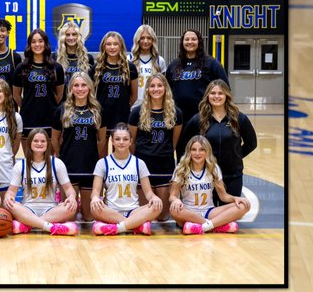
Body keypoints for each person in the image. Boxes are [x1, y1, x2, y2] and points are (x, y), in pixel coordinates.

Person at [178, 79, 257, 197]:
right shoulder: (198, 119)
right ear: (207, 96)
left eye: (220, 93)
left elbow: (251, 143)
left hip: (232, 176)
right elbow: (183, 144)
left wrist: (236, 155)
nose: (216, 96)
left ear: (227, 95)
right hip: (206, 176)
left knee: (230, 212)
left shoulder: (239, 118)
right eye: (213, 93)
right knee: (209, 213)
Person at [52, 72, 106, 224]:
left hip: (90, 165)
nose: (80, 89)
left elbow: (102, 140)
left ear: (89, 88)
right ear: (71, 89)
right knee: (69, 216)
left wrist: (96, 161)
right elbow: (55, 139)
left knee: (90, 217)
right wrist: (61, 155)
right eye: (76, 85)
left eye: (84, 85)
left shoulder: (98, 110)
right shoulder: (62, 110)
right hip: (69, 165)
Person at [3, 127, 78, 235]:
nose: (39, 144)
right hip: (28, 208)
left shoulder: (57, 163)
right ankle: (49, 226)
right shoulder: (21, 165)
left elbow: (69, 189)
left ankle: (28, 224)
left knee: (71, 208)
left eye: (43, 141)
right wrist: (8, 197)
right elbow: (11, 191)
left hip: (50, 209)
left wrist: (71, 197)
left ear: (47, 144)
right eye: (36, 141)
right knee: (10, 205)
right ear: (29, 143)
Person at [90, 123, 161, 235]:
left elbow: (148, 192)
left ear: (130, 141)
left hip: (134, 211)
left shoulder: (139, 163)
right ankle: (135, 225)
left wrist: (154, 197)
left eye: (125, 139)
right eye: (117, 139)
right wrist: (95, 198)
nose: (121, 142)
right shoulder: (102, 163)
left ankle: (118, 227)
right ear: (112, 141)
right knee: (94, 208)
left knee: (157, 206)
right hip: (111, 211)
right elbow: (95, 191)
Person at [168, 135, 249, 234]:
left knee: (244, 206)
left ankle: (199, 227)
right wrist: (176, 200)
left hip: (209, 211)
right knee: (173, 210)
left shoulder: (213, 168)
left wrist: (235, 199)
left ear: (207, 152)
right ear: (189, 152)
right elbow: (172, 196)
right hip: (188, 212)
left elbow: (223, 196)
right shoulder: (181, 168)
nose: (197, 153)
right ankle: (215, 226)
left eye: (201, 150)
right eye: (194, 149)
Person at [128, 71, 181, 217]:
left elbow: (174, 142)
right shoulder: (137, 112)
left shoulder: (176, 113)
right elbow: (131, 142)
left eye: (159, 85)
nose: (156, 89)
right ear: (147, 90)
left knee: (162, 216)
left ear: (165, 88)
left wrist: (164, 151)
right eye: (152, 86)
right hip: (143, 164)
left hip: (165, 165)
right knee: (146, 215)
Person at [166, 28, 228, 124]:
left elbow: (225, 89)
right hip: (177, 117)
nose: (190, 42)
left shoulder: (211, 63)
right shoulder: (174, 65)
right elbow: (167, 91)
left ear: (199, 42)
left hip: (203, 116)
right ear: (182, 42)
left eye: (193, 39)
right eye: (186, 39)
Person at [13, 27, 65, 139]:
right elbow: (16, 95)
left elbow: (59, 95)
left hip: (50, 117)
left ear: (46, 44)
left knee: (49, 155)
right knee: (29, 155)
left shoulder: (57, 68)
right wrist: (28, 105)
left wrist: (48, 104)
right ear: (29, 45)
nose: (37, 44)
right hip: (28, 117)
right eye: (34, 42)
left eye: (41, 41)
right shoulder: (21, 68)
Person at [93, 30, 139, 138]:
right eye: (108, 44)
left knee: (120, 148)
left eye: (115, 44)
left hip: (122, 114)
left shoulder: (130, 68)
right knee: (101, 150)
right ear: (104, 46)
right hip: (102, 114)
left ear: (121, 46)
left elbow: (134, 95)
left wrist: (124, 106)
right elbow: (91, 93)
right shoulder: (96, 68)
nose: (112, 47)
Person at [129, 23, 167, 108]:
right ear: (137, 39)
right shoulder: (129, 59)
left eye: (149, 38)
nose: (145, 41)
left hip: (153, 106)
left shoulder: (159, 60)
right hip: (133, 107)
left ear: (153, 40)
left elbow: (164, 87)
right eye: (142, 38)